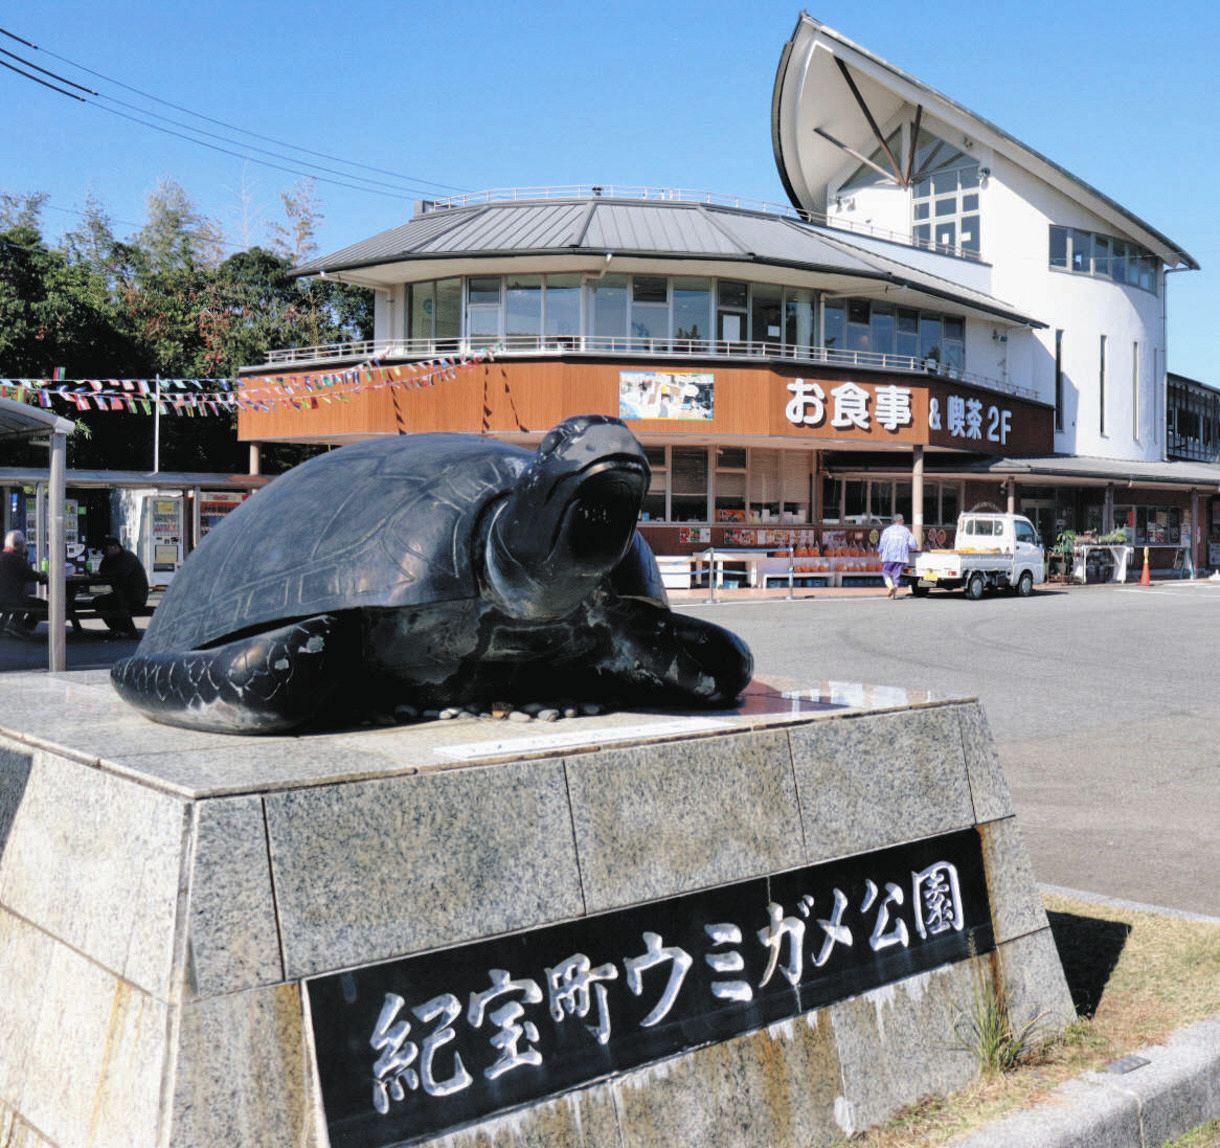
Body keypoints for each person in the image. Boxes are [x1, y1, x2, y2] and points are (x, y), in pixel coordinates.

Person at [93, 535, 149, 639]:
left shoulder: (128, 557)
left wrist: (103, 574)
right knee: (98, 602)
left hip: (135, 596)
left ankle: (125, 630)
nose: (104, 553)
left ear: (114, 547)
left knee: (115, 602)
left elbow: (120, 574)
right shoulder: (109, 558)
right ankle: (118, 628)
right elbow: (102, 570)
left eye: (105, 549)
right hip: (121, 593)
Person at [0, 530, 48, 634]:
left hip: (4, 597)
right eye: (24, 544)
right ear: (18, 545)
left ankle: (13, 623)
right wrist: (41, 576)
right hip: (11, 598)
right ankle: (23, 627)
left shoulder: (3, 556)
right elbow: (29, 575)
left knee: (22, 600)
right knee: (44, 605)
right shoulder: (15, 558)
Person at [877, 514, 919, 599]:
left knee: (886, 572)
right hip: (901, 557)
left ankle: (890, 587)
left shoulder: (887, 531)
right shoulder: (906, 531)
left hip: (889, 556)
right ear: (900, 521)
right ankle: (895, 588)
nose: (903, 521)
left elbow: (882, 543)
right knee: (896, 574)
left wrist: (880, 552)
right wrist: (913, 548)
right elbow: (913, 544)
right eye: (903, 520)